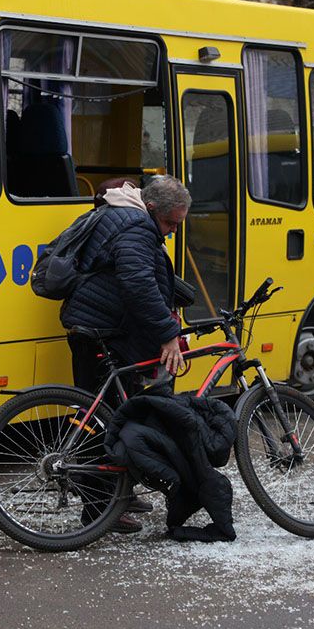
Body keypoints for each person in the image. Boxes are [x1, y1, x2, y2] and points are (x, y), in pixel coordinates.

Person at [60, 174, 191, 534]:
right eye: (169, 223)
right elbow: (137, 282)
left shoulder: (126, 216)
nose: (173, 231)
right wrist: (167, 336)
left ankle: (119, 494)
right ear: (151, 209)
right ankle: (98, 511)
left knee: (117, 414)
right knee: (102, 422)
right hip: (103, 334)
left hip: (104, 330)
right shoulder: (136, 226)